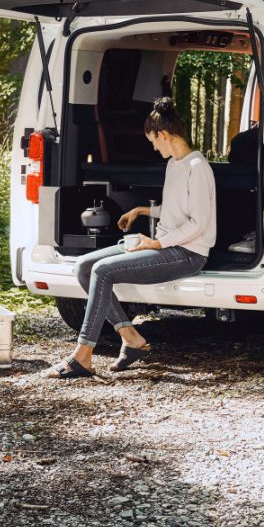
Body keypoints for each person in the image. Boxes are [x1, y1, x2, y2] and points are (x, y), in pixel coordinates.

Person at [48, 97, 217, 379]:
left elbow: (199, 224)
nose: (153, 146)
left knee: (103, 271)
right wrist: (143, 210)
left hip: (188, 254)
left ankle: (82, 356)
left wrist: (156, 243)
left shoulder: (197, 167)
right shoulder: (175, 164)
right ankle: (131, 338)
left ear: (163, 135)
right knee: (84, 267)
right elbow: (177, 210)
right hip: (167, 245)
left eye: (153, 140)